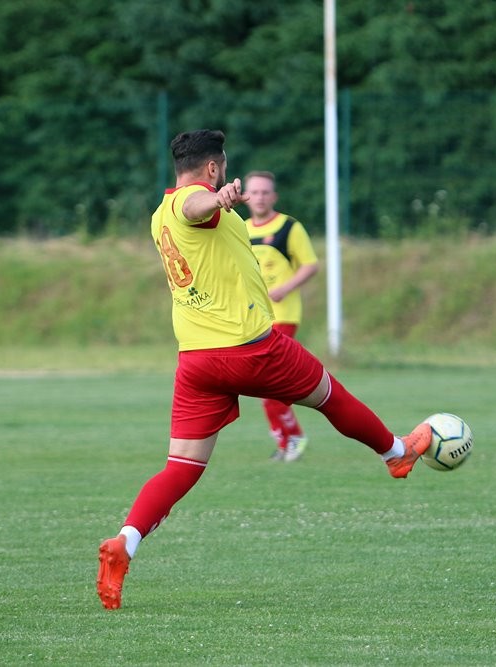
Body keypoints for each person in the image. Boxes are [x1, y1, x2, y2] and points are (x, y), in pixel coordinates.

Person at [96, 129, 433, 610]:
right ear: (213, 168)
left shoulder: (158, 215)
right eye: (223, 170)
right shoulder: (195, 202)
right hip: (250, 348)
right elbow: (196, 207)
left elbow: (189, 211)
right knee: (330, 396)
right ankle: (396, 453)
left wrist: (216, 201)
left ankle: (125, 542)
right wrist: (218, 199)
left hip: (196, 360)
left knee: (181, 467)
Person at [243, 170, 319, 462]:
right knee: (263, 383)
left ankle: (292, 438)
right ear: (246, 197)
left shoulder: (289, 227)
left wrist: (285, 288)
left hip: (283, 315)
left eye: (265, 192)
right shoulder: (241, 229)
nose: (260, 197)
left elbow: (310, 265)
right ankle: (286, 440)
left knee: (268, 384)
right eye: (254, 192)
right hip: (253, 318)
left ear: (274, 196)